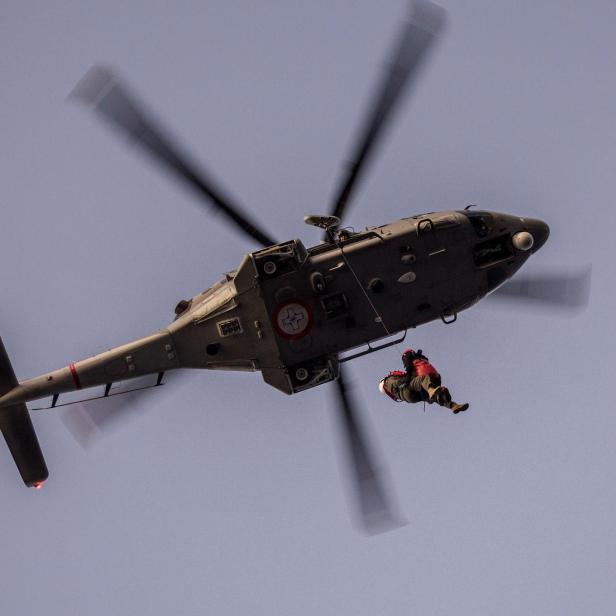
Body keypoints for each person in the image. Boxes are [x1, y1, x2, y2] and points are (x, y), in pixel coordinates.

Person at [379, 349, 469, 414]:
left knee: (437, 397)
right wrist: (409, 373)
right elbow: (402, 381)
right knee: (423, 379)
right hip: (408, 391)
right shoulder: (388, 381)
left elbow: (406, 380)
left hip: (414, 396)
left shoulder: (393, 390)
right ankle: (431, 391)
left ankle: (453, 406)